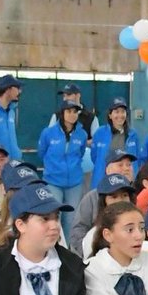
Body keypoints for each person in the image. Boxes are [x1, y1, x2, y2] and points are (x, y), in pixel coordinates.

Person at [37, 97, 93, 238]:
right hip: (53, 181)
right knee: (53, 216)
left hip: (74, 183)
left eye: (75, 112)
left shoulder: (82, 134)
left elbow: (80, 154)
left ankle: (67, 248)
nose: (72, 114)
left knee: (71, 218)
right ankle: (53, 246)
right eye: (69, 111)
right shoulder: (48, 133)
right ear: (62, 113)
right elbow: (41, 152)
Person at [90, 97, 135, 175]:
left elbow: (136, 159)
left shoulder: (133, 134)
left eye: (123, 112)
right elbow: (94, 157)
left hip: (125, 179)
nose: (120, 115)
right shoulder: (100, 133)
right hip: (103, 178)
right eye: (117, 112)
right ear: (110, 115)